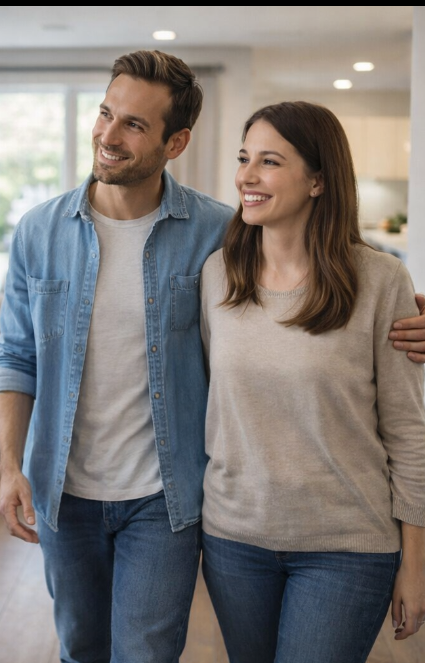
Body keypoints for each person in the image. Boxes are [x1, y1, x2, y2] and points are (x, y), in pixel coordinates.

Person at [0, 50, 425, 663]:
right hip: (69, 491)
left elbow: (323, 286)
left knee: (145, 653)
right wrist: (10, 465)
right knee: (80, 648)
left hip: (168, 498)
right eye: (105, 114)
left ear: (176, 142)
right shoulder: (44, 232)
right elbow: (15, 353)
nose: (108, 136)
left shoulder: (218, 235)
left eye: (134, 124)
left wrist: (405, 313)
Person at [198, 101, 425, 662]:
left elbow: (408, 431)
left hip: (347, 546)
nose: (247, 176)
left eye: (269, 162)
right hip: (234, 538)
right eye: (244, 158)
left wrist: (417, 564)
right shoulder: (217, 274)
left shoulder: (381, 280)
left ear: (319, 180)